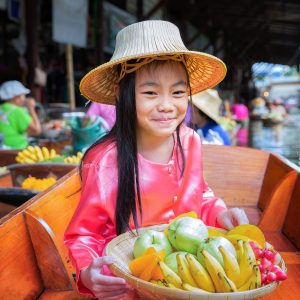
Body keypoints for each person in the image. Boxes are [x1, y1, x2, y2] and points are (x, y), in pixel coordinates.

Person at [64, 20, 249, 299]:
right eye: (150, 92)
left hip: (188, 274)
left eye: (177, 92)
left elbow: (201, 193)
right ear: (121, 94)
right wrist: (90, 273)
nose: (166, 104)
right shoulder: (104, 160)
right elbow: (83, 235)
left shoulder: (190, 141)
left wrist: (221, 212)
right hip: (128, 281)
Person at [0, 80, 42, 149]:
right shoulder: (17, 111)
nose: (24, 98)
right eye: (23, 95)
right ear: (16, 97)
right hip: (15, 151)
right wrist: (31, 109)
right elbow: (36, 131)